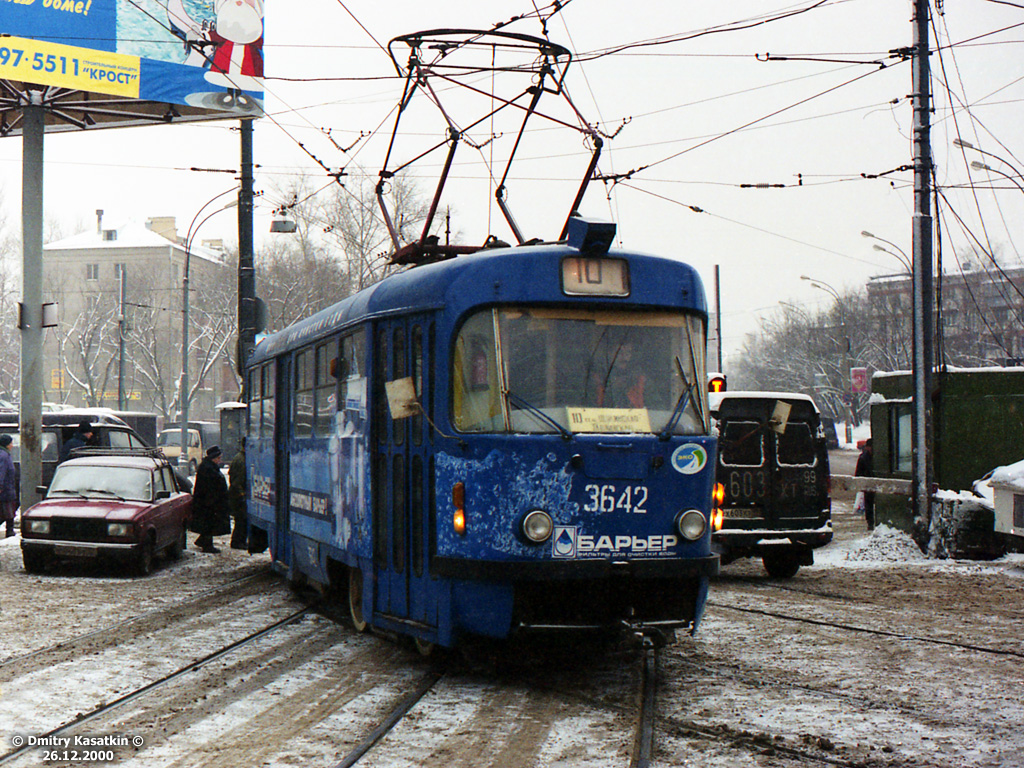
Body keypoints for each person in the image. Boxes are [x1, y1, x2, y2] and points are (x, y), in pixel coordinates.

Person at [190, 446, 231, 553]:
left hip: (209, 501)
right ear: (213, 457)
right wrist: (215, 500)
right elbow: (210, 486)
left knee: (210, 523)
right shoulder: (208, 468)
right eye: (218, 458)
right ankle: (207, 545)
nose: (220, 460)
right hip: (208, 502)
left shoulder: (209, 466)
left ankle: (203, 541)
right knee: (209, 523)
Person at [228, 447, 248, 550]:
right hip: (238, 495)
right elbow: (237, 481)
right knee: (241, 520)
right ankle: (238, 542)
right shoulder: (242, 460)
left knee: (240, 520)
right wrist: (242, 494)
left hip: (235, 494)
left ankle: (239, 541)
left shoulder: (239, 457)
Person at [855, 438, 875, 530]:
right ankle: (870, 522)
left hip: (873, 482)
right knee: (868, 503)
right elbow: (858, 472)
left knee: (870, 503)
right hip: (867, 483)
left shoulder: (864, 457)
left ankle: (872, 521)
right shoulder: (863, 457)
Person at [0, 434, 17, 537]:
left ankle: (10, 530)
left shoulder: (5, 454)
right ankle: (10, 531)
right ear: (6, 444)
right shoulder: (4, 456)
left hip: (7, 488)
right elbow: (1, 472)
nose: (12, 445)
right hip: (5, 490)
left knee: (7, 510)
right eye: (11, 443)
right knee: (7, 510)